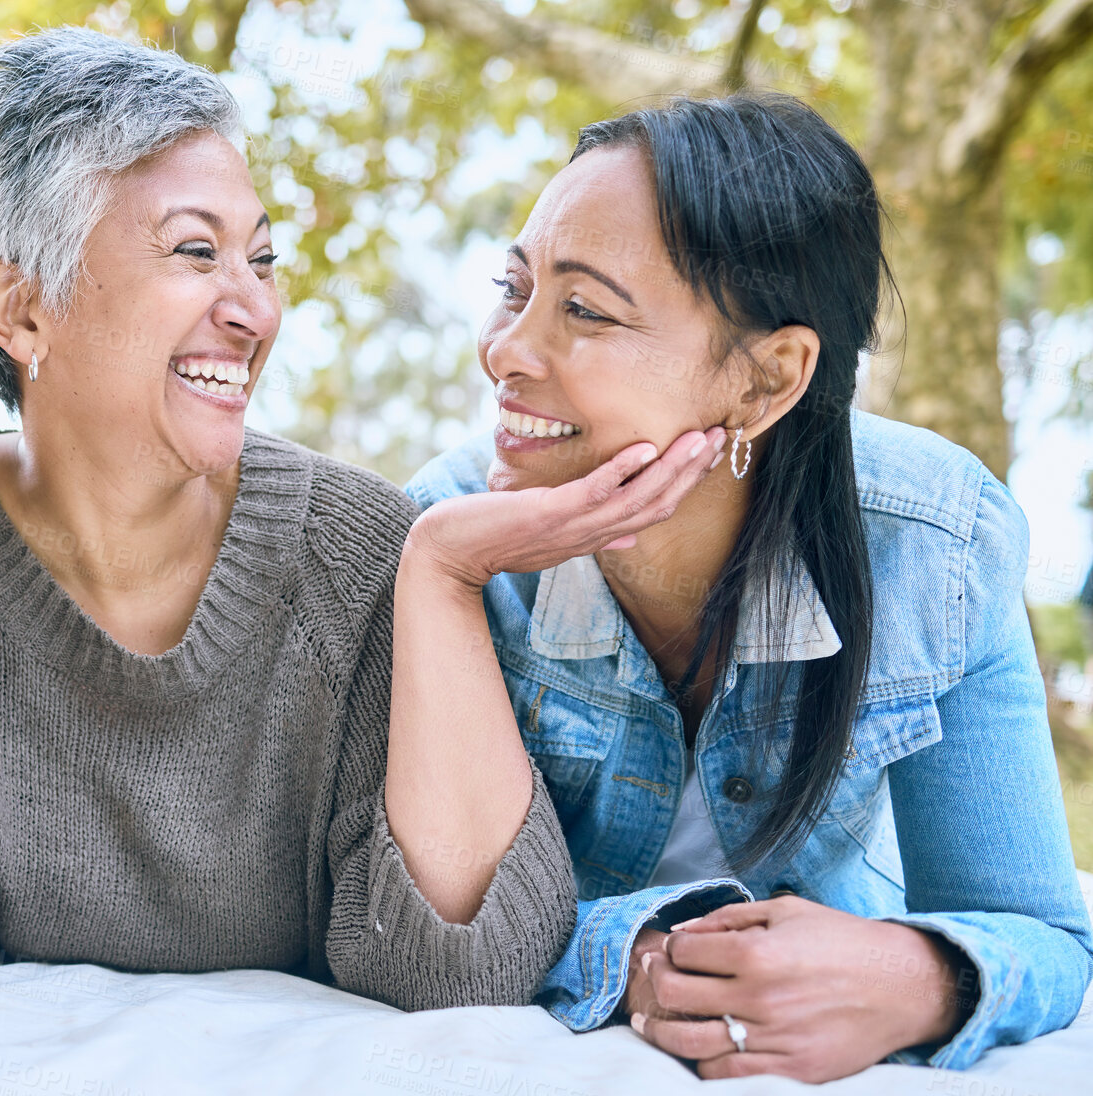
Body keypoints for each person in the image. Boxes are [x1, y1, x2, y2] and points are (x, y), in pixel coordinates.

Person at [0, 28, 712, 1008]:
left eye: (257, 260)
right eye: (191, 253)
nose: (252, 308)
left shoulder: (355, 545)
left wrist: (438, 570)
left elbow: (465, 966)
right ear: (20, 309)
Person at [407, 91, 1093, 1080]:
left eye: (582, 309)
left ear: (765, 381)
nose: (504, 351)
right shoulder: (442, 533)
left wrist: (917, 973)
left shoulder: (932, 543)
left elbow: (1037, 932)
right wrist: (647, 957)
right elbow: (422, 922)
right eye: (512, 290)